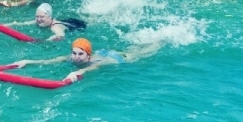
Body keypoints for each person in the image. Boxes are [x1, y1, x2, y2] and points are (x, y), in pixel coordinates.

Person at [11, 37, 157, 83]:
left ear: (88, 56)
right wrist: (28, 61)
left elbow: (88, 69)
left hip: (116, 58)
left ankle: (159, 41)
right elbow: (48, 61)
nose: (76, 57)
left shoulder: (94, 62)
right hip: (103, 52)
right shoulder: (69, 58)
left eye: (80, 54)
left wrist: (76, 73)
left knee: (143, 52)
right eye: (74, 53)